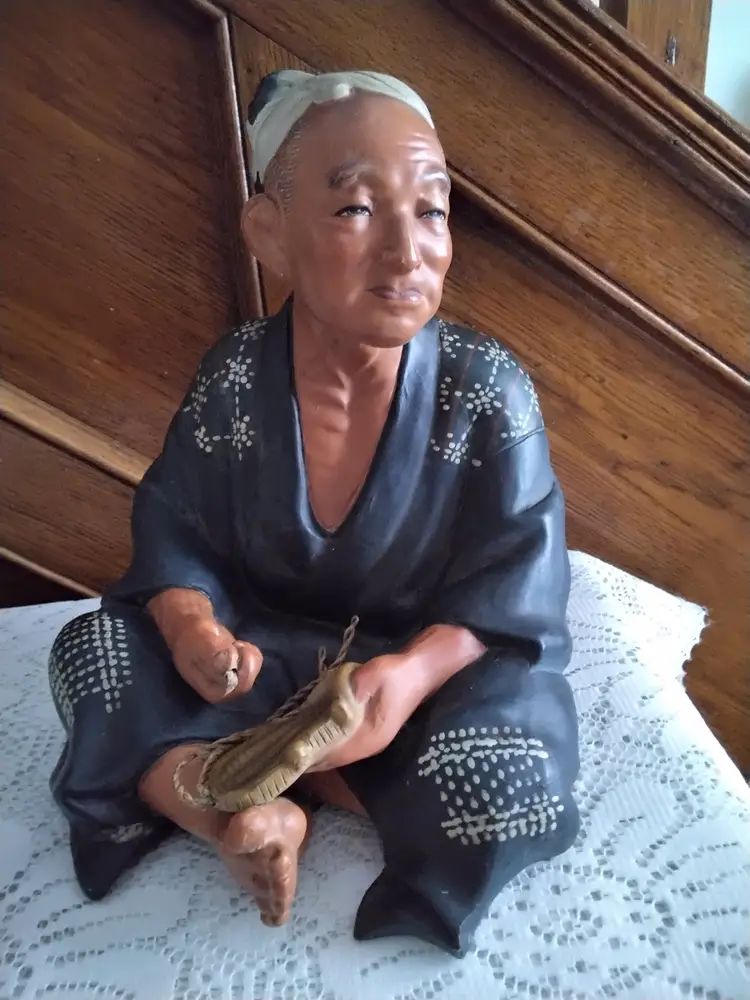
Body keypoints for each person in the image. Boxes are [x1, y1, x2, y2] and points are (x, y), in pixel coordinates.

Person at [48, 70, 580, 956]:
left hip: (408, 681)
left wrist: (406, 679)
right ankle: (237, 817)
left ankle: (275, 780)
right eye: (357, 210)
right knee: (93, 652)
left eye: (432, 211)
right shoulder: (235, 377)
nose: (407, 253)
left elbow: (518, 581)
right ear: (270, 234)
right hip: (257, 656)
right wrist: (193, 631)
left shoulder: (487, 392)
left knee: (511, 776)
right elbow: (176, 531)